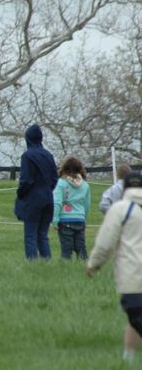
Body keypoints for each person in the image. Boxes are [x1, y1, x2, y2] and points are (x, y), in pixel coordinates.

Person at [86, 172, 142, 364]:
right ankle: (128, 358)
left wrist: (94, 263)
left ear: (124, 189)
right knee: (135, 321)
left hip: (133, 278)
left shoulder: (120, 209)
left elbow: (105, 242)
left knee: (136, 316)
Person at [14, 124, 58, 260]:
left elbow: (26, 180)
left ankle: (32, 264)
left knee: (31, 235)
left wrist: (20, 193)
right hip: (48, 199)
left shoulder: (27, 156)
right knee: (43, 235)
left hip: (33, 200)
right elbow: (54, 179)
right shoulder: (49, 155)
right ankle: (47, 262)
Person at [52, 156, 91, 260]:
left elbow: (57, 203)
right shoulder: (85, 185)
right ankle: (84, 266)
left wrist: (55, 220)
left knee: (66, 249)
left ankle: (64, 267)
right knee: (81, 248)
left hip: (65, 220)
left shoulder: (61, 183)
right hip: (80, 219)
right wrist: (84, 217)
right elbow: (87, 204)